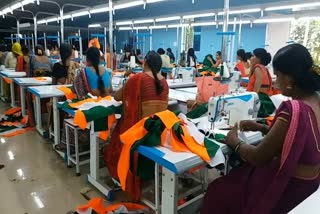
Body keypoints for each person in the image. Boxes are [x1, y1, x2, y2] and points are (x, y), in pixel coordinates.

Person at [201, 43, 320, 214]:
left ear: (289, 79)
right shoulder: (315, 100)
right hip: (311, 183)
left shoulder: (293, 109)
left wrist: (234, 141)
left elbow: (258, 158)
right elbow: (301, 137)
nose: (276, 81)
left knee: (218, 189)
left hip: (289, 187)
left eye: (278, 75)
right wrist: (262, 127)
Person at [105, 51, 169, 200]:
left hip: (139, 133)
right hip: (156, 133)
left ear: (144, 63)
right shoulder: (164, 82)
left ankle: (120, 175)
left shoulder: (138, 79)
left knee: (113, 136)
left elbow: (117, 96)